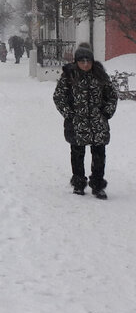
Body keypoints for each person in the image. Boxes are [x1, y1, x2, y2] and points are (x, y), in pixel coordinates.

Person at [53, 43, 118, 198]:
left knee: (99, 155)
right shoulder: (69, 76)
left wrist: (106, 113)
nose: (85, 64)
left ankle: (97, 185)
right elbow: (59, 97)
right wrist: (69, 114)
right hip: (77, 123)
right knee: (77, 154)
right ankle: (79, 184)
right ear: (76, 61)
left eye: (88, 61)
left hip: (98, 123)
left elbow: (112, 96)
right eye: (82, 61)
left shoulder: (101, 75)